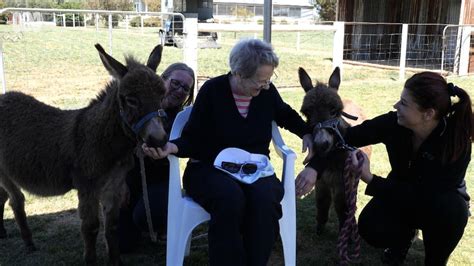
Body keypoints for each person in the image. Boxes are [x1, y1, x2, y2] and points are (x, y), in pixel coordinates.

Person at [143, 38, 312, 265]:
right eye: (260, 80)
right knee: (229, 198)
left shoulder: (267, 93)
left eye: (269, 79)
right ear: (239, 74)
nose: (265, 85)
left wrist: (307, 133)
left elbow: (287, 115)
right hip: (208, 168)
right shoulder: (213, 91)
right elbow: (194, 137)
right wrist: (172, 147)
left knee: (265, 198)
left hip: (255, 169)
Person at [296, 71, 472, 265]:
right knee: (371, 225)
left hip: (438, 205)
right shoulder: (394, 123)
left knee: (453, 212)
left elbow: (424, 197)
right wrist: (315, 167)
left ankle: (436, 257)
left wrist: (371, 179)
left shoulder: (456, 144)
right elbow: (347, 137)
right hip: (400, 191)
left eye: (403, 103)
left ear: (428, 114)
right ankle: (402, 240)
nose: (395, 106)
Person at [118, 62, 195, 253]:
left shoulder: (183, 119)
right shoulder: (137, 107)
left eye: (186, 88)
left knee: (144, 217)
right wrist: (119, 182)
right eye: (175, 83)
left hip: (161, 182)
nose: (179, 90)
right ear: (162, 80)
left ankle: (160, 221)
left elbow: (191, 146)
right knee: (123, 245)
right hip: (129, 178)